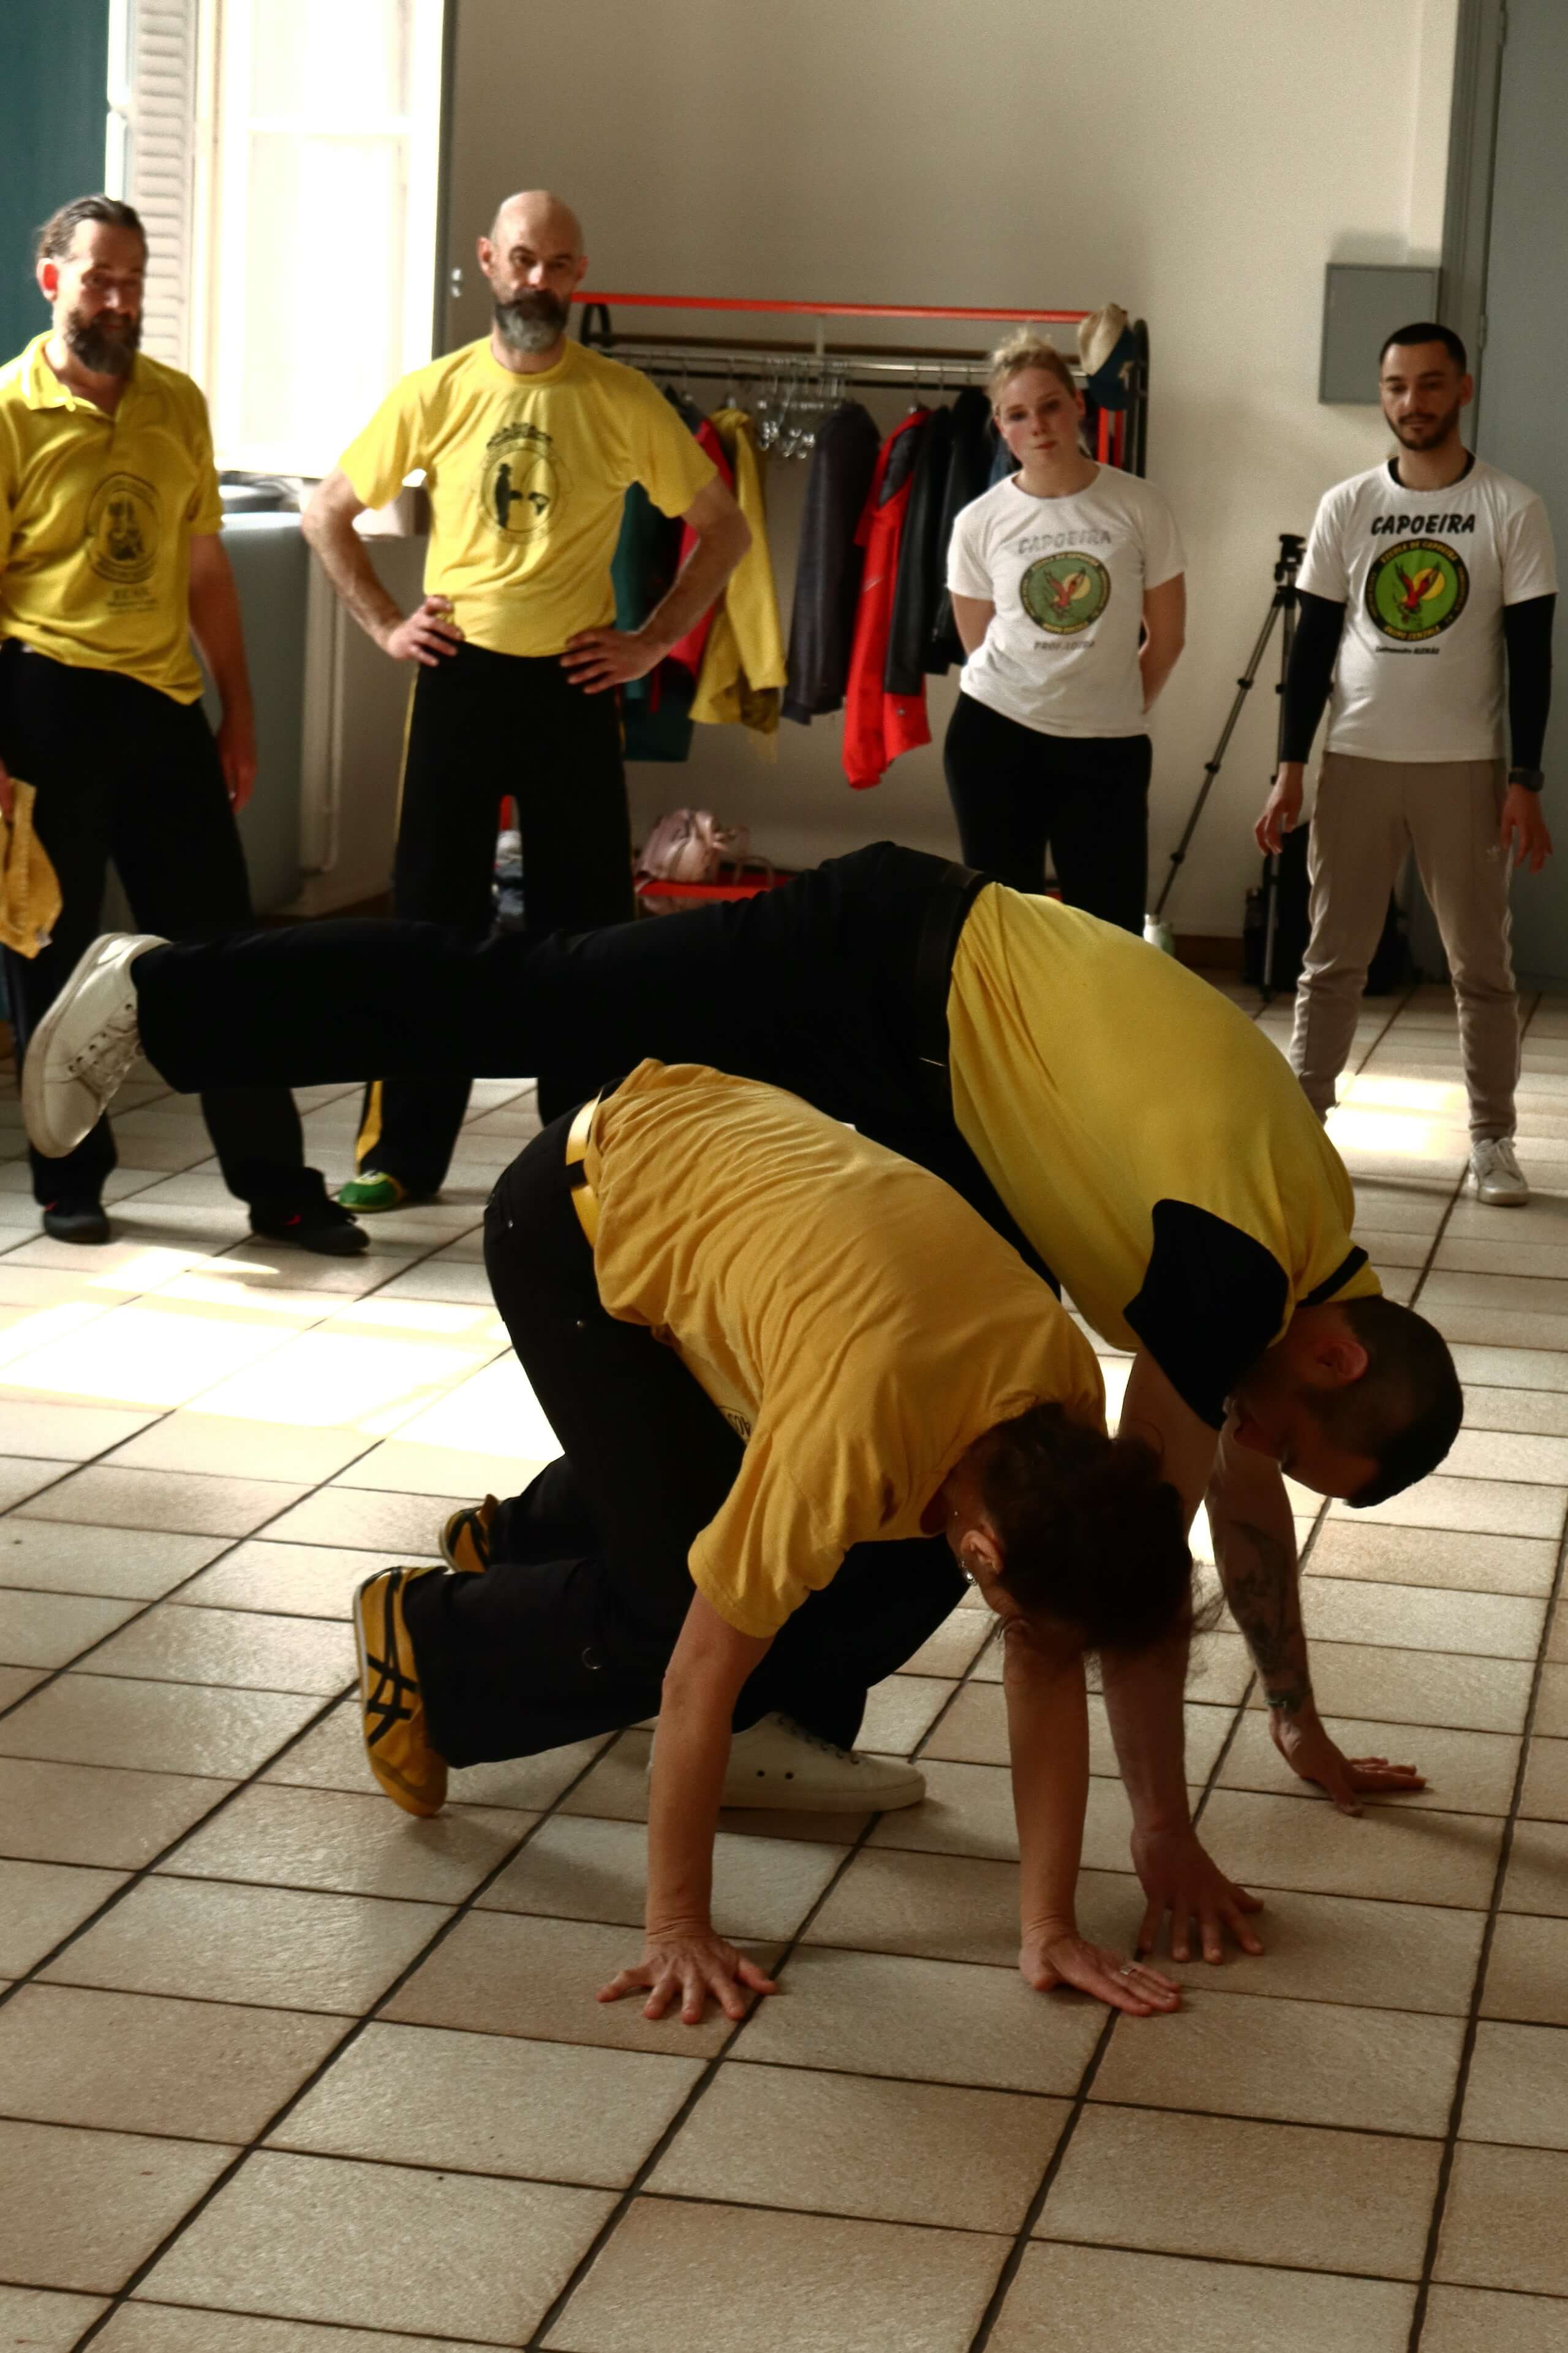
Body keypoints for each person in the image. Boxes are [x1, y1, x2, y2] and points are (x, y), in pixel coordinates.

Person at [27, 841, 1457, 1967]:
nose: (1252, 1447)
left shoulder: (1311, 1263)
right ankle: (164, 999)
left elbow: (1224, 1501)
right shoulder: (1226, 1272)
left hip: (942, 1096)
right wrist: (1157, 1832)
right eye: (1283, 1438)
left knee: (943, 1465)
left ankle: (621, 1595)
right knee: (530, 993)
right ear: (1334, 1364)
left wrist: (1293, 1721)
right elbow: (1121, 1570)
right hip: (877, 969)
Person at [356, 1056, 1195, 2025]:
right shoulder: (852, 1438)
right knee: (673, 1610)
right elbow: (698, 1680)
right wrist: (678, 1926)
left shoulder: (1062, 1395)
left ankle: (522, 1540)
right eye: (1017, 1618)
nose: (1031, 1648)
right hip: (574, 1211)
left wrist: (1049, 1925)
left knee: (871, 1570)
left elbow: (1043, 1668)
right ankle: (428, 1638)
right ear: (988, 1553)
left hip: (732, 1161)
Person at [301, 188, 750, 1210]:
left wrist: (651, 641)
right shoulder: (437, 392)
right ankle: (401, 1152)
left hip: (572, 683)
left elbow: (725, 528)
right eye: (521, 259)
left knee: (586, 931)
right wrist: (388, 625)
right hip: (459, 678)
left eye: (557, 263)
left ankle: (585, 1160)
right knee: (430, 922)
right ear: (487, 262)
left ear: (578, 274)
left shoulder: (622, 399)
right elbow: (326, 513)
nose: (538, 280)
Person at [0, 195, 362, 1253]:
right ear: (52, 280)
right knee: (54, 958)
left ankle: (277, 1186)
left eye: (133, 281)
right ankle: (70, 1178)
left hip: (162, 707)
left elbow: (205, 570)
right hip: (43, 701)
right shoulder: (10, 409)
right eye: (98, 279)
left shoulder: (176, 403)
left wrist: (237, 710)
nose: (118, 301)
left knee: (220, 957)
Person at [1256, 321, 1556, 1206]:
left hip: (1465, 768)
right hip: (1355, 760)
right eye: (1395, 386)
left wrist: (1525, 780)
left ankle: (1492, 1138)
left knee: (1481, 967)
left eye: (1429, 384)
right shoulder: (1347, 505)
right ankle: (1303, 1125)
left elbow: (1531, 658)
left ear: (1462, 389)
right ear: (1381, 394)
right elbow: (1312, 648)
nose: (1411, 402)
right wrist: (1289, 766)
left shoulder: (1512, 507)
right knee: (1331, 958)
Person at [941, 331, 1186, 930]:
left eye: (1050, 405)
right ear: (1001, 427)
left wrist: (1111, 704)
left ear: (1077, 404)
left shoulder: (1139, 505)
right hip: (995, 736)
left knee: (1109, 931)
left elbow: (1167, 637)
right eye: (1017, 414)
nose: (1038, 426)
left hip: (1108, 749)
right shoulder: (978, 523)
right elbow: (978, 643)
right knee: (1005, 928)